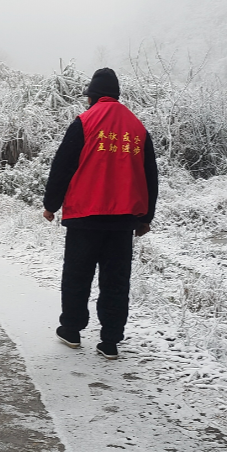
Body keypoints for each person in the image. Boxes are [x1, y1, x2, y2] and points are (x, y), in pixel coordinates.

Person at [42, 68, 158, 360]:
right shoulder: (137, 128)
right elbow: (150, 176)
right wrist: (145, 217)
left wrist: (50, 205)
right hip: (121, 221)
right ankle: (110, 341)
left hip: (85, 216)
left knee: (77, 275)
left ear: (91, 97)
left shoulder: (84, 122)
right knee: (116, 280)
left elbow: (63, 166)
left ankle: (71, 330)